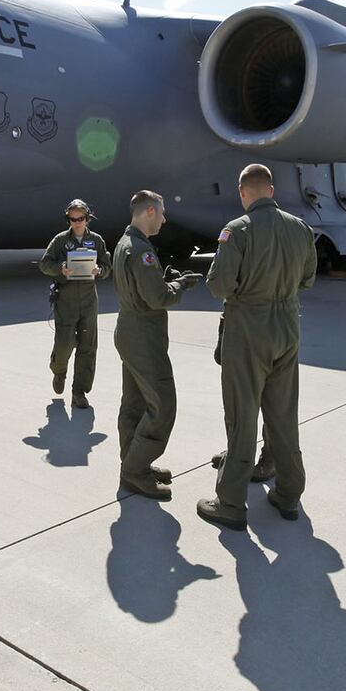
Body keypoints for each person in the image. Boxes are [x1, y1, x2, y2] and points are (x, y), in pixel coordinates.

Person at [197, 164, 318, 531]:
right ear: (271, 190)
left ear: (243, 192)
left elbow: (218, 286)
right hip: (287, 325)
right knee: (282, 413)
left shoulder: (237, 231)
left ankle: (231, 502)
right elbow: (308, 279)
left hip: (248, 327)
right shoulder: (300, 228)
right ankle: (289, 492)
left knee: (242, 414)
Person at [110, 190, 200, 501]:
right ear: (149, 211)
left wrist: (163, 278)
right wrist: (179, 285)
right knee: (163, 404)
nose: (163, 220)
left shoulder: (125, 244)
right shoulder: (142, 251)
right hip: (144, 338)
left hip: (129, 331)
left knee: (134, 403)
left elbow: (142, 286)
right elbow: (157, 298)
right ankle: (136, 470)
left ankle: (132, 462)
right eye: (161, 213)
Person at [38, 198, 111, 409]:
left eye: (80, 218)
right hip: (66, 300)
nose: (77, 222)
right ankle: (58, 370)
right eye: (73, 219)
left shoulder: (97, 241)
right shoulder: (60, 241)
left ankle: (79, 392)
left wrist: (101, 271)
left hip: (89, 299)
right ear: (68, 219)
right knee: (64, 344)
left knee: (88, 347)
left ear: (87, 219)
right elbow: (44, 264)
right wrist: (60, 268)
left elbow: (107, 266)